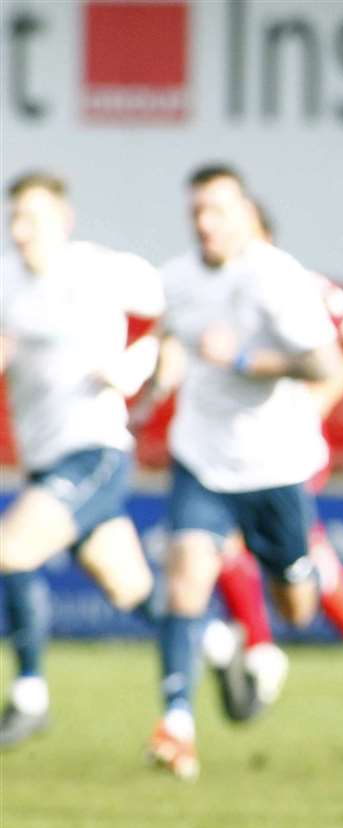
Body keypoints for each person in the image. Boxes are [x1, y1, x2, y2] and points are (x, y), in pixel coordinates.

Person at [149, 163, 342, 780]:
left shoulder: (277, 277)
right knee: (184, 579)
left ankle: (286, 590)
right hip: (201, 457)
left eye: (217, 211)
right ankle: (177, 722)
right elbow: (169, 340)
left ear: (244, 214)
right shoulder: (175, 279)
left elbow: (323, 360)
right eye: (197, 212)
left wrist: (241, 357)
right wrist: (146, 388)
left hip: (275, 464)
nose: (205, 224)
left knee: (298, 607)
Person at [200, 203, 343, 728]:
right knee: (292, 551)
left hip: (286, 447)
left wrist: (322, 397)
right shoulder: (214, 294)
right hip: (230, 445)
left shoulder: (301, 285)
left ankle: (258, 648)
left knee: (238, 541)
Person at [0, 172, 164, 747]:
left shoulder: (101, 270)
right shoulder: (8, 285)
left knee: (11, 550)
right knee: (127, 587)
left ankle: (29, 694)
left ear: (64, 220)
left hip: (94, 449)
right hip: (43, 459)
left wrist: (137, 364)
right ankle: (212, 639)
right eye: (14, 218)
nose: (21, 231)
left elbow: (180, 317)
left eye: (33, 219)